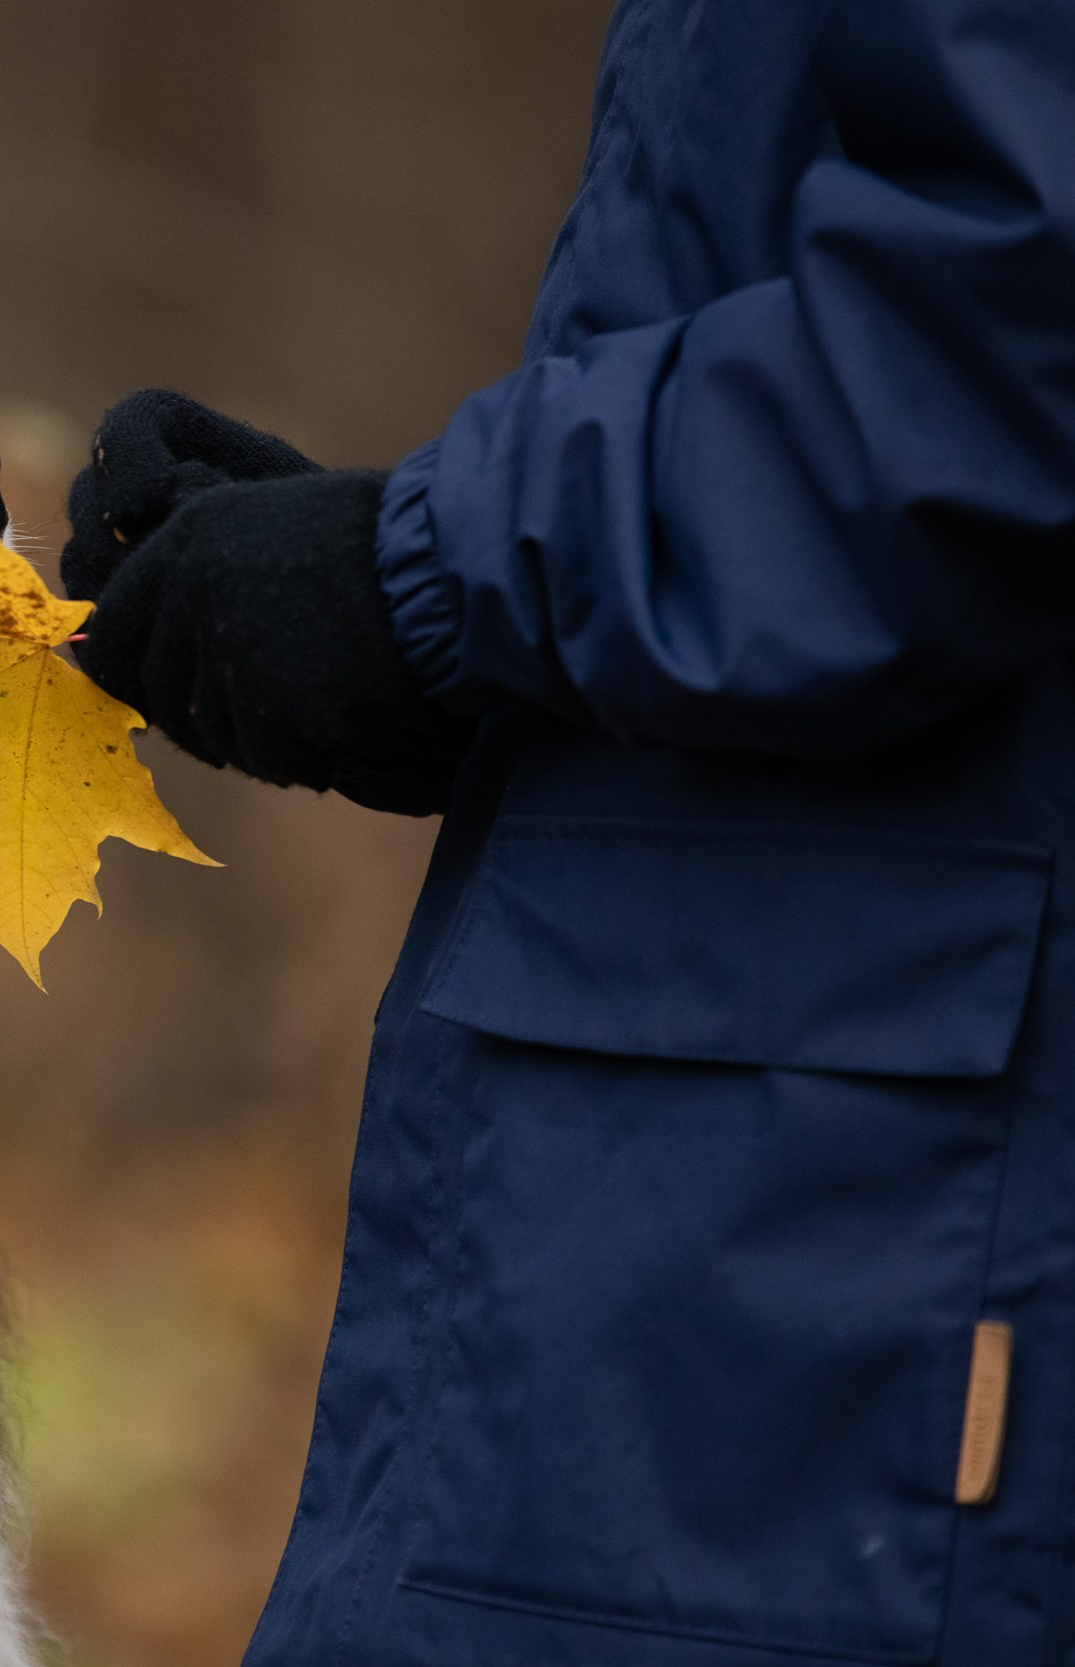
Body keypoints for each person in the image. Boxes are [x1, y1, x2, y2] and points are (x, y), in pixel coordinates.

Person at [62, 3, 1075, 1663]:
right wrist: (456, 663)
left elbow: (995, 351)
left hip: (875, 1207)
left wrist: (427, 574)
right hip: (781, 1148)